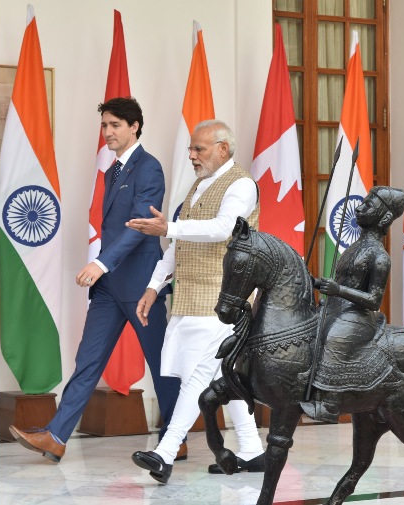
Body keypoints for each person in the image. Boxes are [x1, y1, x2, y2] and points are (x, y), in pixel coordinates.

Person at [9, 97, 181, 463]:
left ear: (135, 126)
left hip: (140, 286)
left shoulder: (149, 168)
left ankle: (174, 437)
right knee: (87, 361)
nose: (108, 132)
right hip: (109, 288)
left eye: (115, 125)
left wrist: (101, 263)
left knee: (161, 363)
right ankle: (56, 436)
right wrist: (105, 270)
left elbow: (139, 226)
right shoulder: (111, 172)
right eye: (104, 126)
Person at [125, 120, 265, 483]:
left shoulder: (242, 184)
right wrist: (154, 286)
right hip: (190, 298)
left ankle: (165, 452)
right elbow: (179, 244)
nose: (191, 155)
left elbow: (222, 228)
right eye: (191, 148)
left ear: (223, 149)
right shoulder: (199, 186)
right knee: (222, 376)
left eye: (199, 149)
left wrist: (168, 228)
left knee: (198, 375)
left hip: (224, 298)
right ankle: (252, 451)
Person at [301, 186, 404, 423]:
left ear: (385, 217)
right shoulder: (353, 249)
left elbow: (373, 300)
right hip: (336, 308)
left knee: (334, 337)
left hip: (358, 317)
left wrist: (338, 290)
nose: (359, 208)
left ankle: (330, 400)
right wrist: (314, 282)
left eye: (368, 205)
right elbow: (339, 282)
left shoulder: (380, 256)